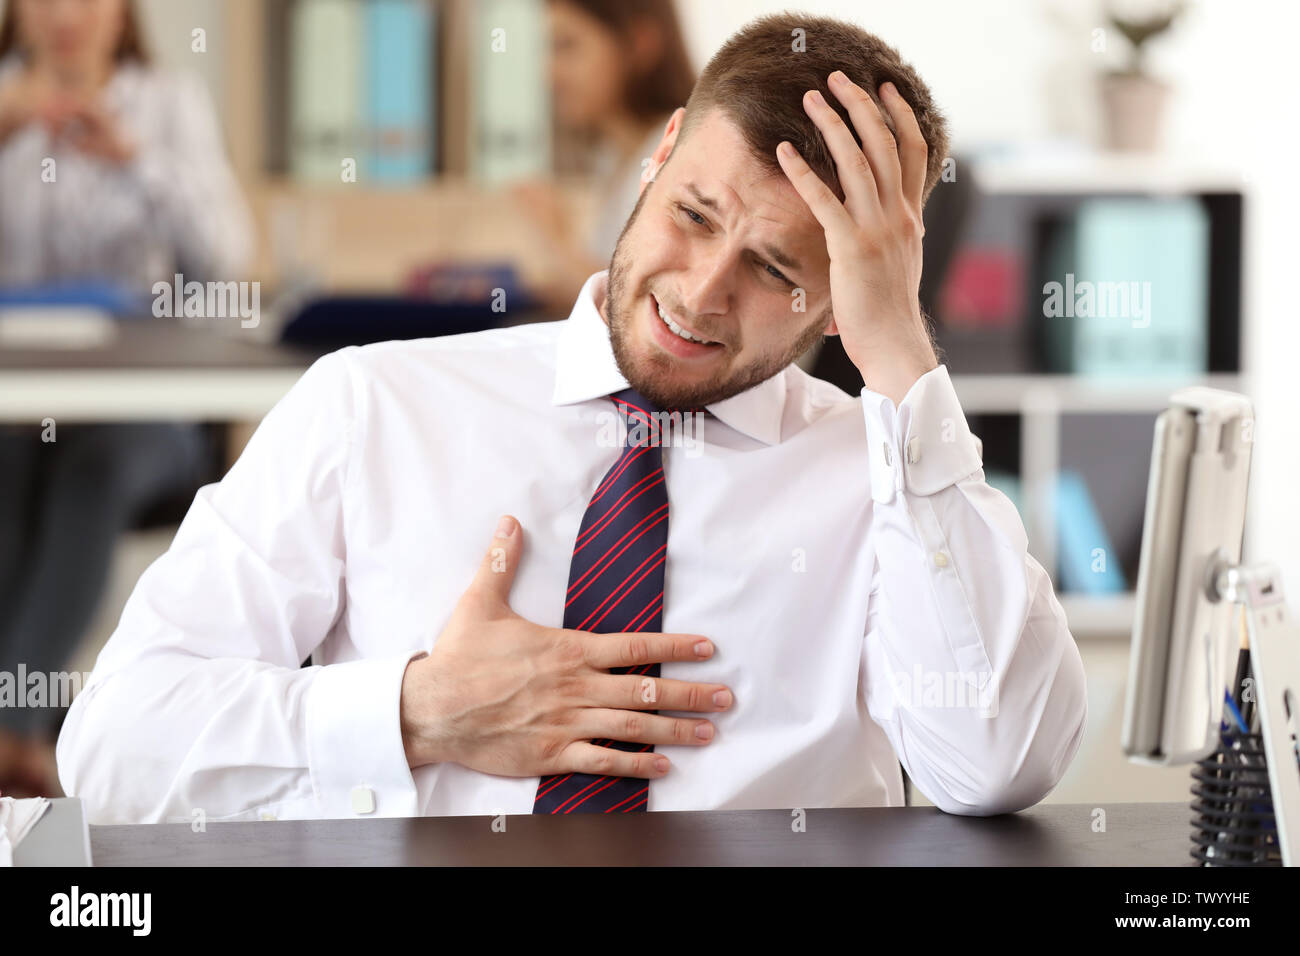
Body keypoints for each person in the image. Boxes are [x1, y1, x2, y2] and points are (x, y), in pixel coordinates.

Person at [58, 13, 1087, 823]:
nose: (700, 291)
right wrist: (413, 712)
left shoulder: (886, 481)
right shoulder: (372, 404)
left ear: (844, 290)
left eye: (775, 269)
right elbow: (114, 746)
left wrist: (901, 358)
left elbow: (994, 764)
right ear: (664, 149)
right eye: (693, 214)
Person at [0, 0, 253, 797]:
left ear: (123, 12)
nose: (65, 14)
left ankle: (11, 727)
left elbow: (232, 263)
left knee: (94, 468)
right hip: (18, 407)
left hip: (147, 410)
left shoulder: (171, 105)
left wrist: (137, 161)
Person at [512, 0, 695, 313]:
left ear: (639, 43)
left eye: (567, 46)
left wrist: (557, 238)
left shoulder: (679, 156)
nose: (549, 73)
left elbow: (643, 312)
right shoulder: (612, 158)